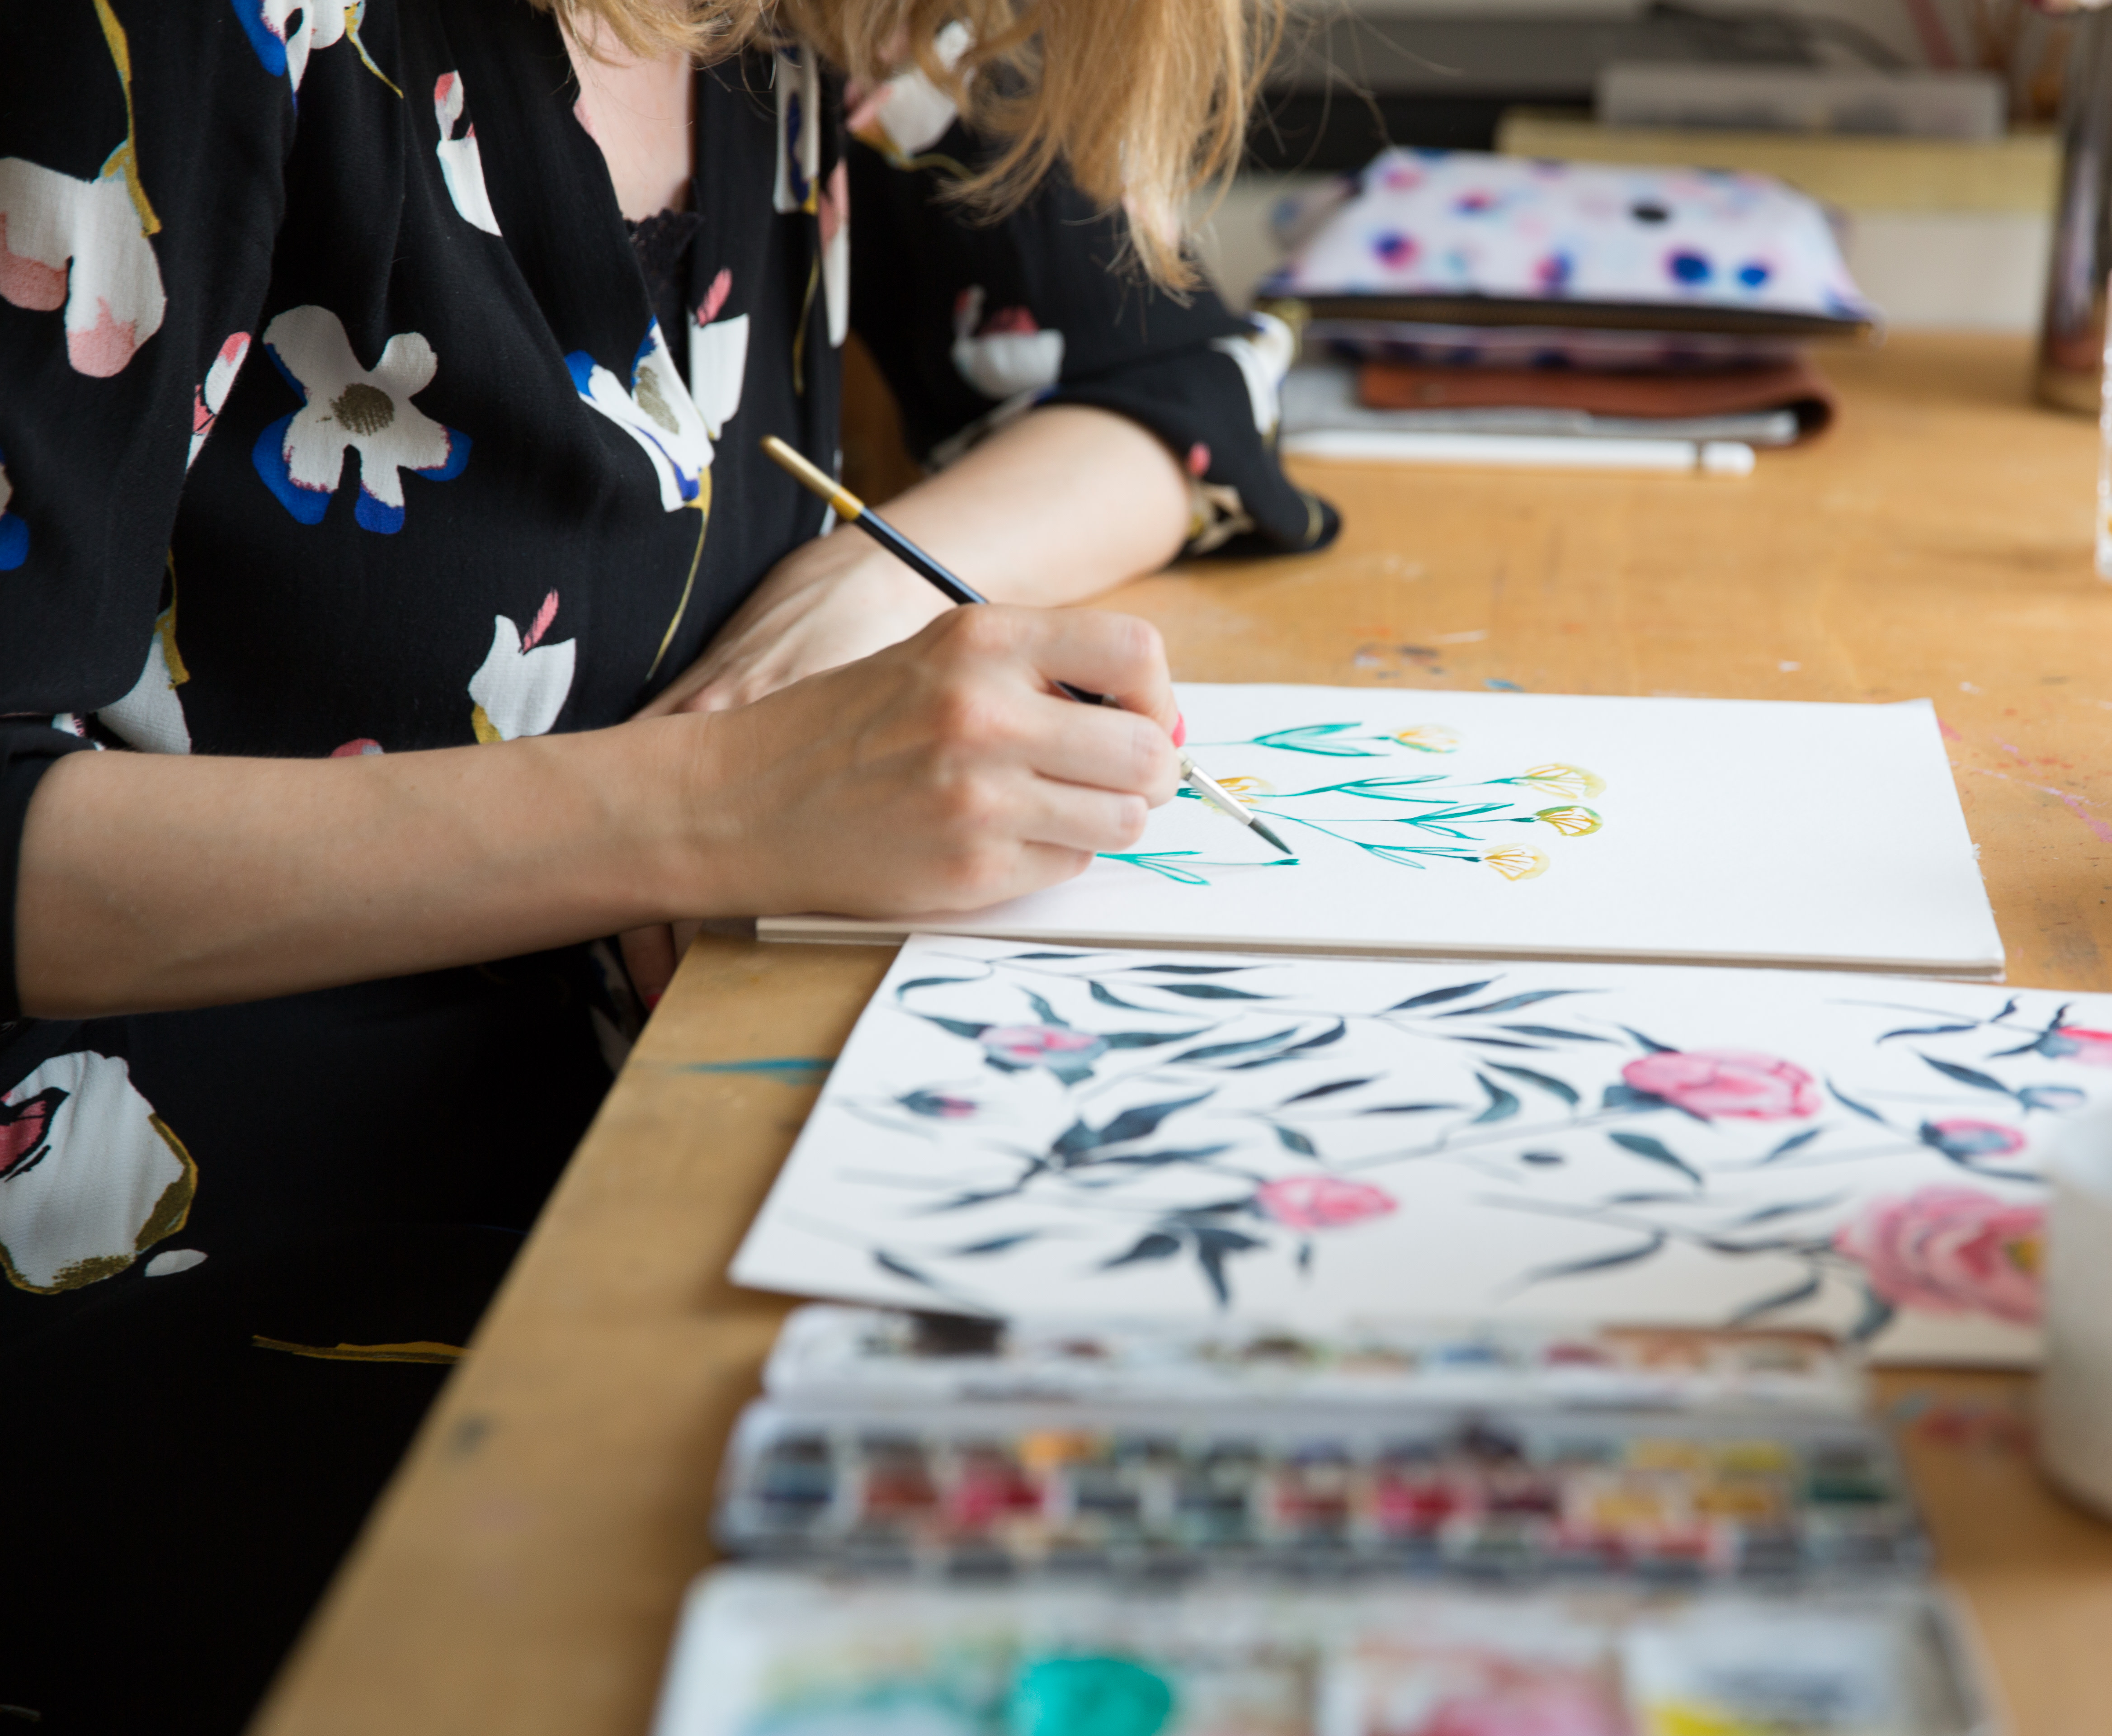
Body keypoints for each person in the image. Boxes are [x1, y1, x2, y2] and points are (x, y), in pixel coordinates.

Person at [0, 0, 1326, 1725]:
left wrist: (870, 592)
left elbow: (1181, 385)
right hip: (162, 1259)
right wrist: (706, 803)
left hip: (663, 1144)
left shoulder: (825, 27)